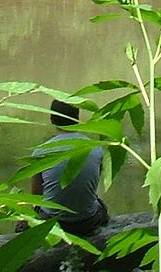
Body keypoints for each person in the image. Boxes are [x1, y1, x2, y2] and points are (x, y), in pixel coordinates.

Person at [25, 99, 109, 236]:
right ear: (77, 117)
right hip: (88, 221)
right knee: (100, 204)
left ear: (52, 118)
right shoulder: (95, 148)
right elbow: (93, 185)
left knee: (27, 216)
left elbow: (36, 196)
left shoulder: (41, 152)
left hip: (53, 223)